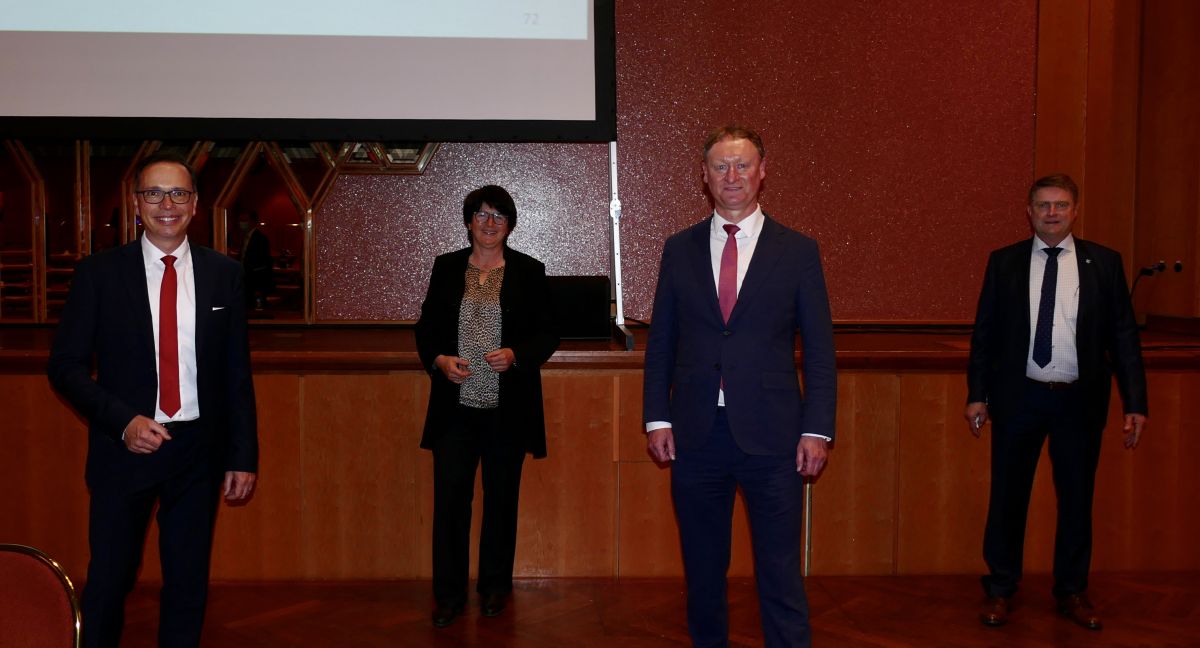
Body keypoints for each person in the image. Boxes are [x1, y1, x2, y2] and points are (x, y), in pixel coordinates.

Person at [47, 151, 258, 648]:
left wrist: (243, 455)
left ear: (195, 203)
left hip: (198, 452)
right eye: (154, 193)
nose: (167, 204)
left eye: (178, 193)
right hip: (124, 451)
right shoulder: (99, 273)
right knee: (110, 580)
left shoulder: (224, 273)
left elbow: (236, 373)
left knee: (188, 583)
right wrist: (123, 422)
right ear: (136, 203)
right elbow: (65, 366)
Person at [643, 125, 837, 648]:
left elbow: (820, 351)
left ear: (762, 172)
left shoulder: (797, 251)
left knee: (780, 572)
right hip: (695, 435)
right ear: (704, 177)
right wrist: (657, 418)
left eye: (742, 165)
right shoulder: (679, 249)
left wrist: (817, 429)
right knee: (703, 571)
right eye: (721, 166)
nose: (732, 176)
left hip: (775, 438)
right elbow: (662, 343)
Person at [965, 173, 1147, 631]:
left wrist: (1135, 402)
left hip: (1078, 403)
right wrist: (976, 395)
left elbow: (1124, 338)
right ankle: (1000, 588)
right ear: (1029, 212)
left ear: (1074, 211)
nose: (1052, 213)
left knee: (1077, 500)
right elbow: (984, 335)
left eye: (1061, 205)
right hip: (1019, 399)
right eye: (1043, 205)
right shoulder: (1004, 262)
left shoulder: (1104, 263)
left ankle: (1072, 591)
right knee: (1008, 498)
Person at [414, 185, 559, 628]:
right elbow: (426, 330)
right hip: (454, 411)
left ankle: (495, 587)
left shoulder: (530, 271)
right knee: (450, 504)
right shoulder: (446, 267)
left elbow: (548, 334)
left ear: (510, 224)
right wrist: (439, 360)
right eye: (481, 214)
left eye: (499, 215)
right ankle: (449, 595)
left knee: (501, 501)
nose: (490, 222)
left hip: (506, 410)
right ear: (468, 221)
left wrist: (516, 355)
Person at [233, 209, 273, 311]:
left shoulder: (260, 239)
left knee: (255, 310)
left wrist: (259, 287)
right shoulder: (244, 238)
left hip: (255, 283)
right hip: (245, 282)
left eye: (244, 220)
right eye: (240, 220)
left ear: (253, 222)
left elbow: (262, 265)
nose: (241, 223)